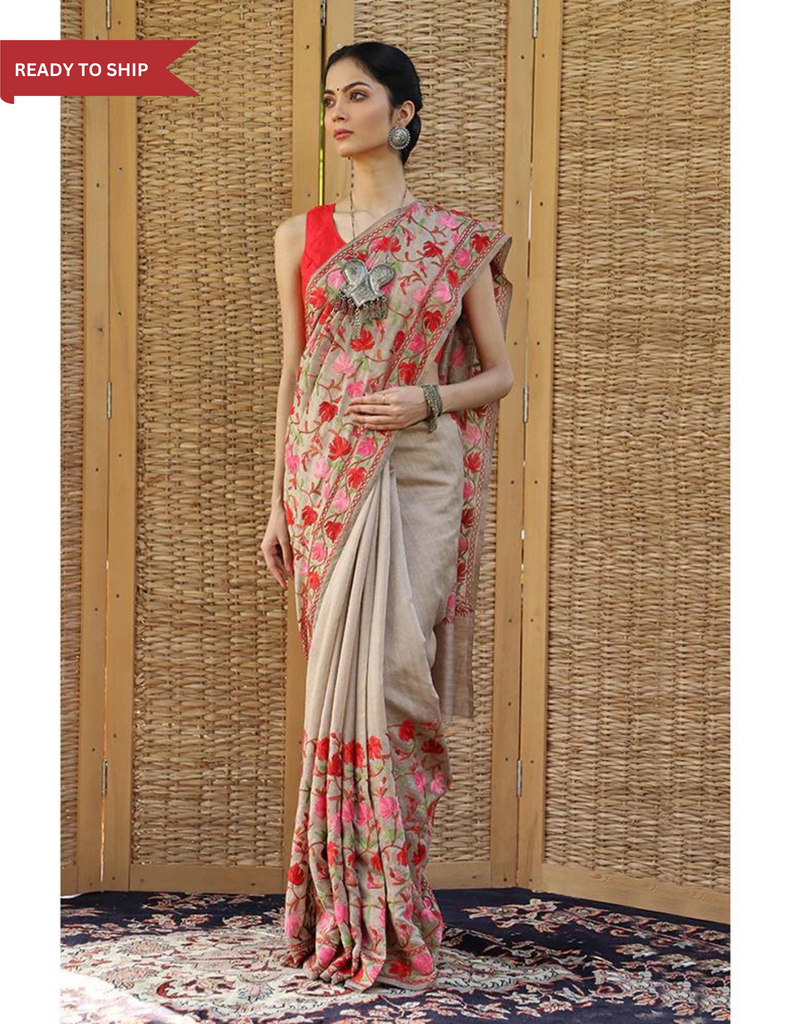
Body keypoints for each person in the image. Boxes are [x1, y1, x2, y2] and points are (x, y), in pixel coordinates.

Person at [260, 41, 514, 992]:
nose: (336, 111)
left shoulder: (454, 240)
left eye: (356, 95)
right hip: (325, 479)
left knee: (396, 679)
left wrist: (425, 400)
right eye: (328, 97)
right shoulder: (300, 234)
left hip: (416, 476)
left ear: (402, 113)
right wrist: (277, 502)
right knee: (341, 684)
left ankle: (395, 902)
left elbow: (500, 373)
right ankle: (338, 906)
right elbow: (294, 375)